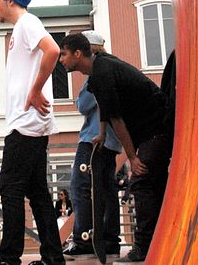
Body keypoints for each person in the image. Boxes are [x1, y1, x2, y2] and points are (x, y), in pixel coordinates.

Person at [58, 32, 174, 263]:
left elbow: (117, 119)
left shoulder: (101, 73)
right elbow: (104, 106)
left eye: (63, 54)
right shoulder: (99, 67)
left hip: (157, 127)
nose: (60, 60)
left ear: (78, 54)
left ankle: (143, 248)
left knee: (141, 183)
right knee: (154, 184)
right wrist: (101, 134)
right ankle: (158, 241)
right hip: (151, 129)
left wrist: (132, 157)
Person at [0, 0, 65, 265]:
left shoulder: (27, 23)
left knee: (10, 187)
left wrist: (34, 91)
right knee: (37, 192)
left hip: (26, 123)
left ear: (10, 0)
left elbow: (53, 50)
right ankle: (53, 258)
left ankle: (9, 258)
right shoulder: (20, 29)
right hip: (29, 122)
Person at [62, 30, 123, 258]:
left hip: (93, 138)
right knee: (107, 189)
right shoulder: (113, 67)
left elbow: (83, 104)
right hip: (112, 141)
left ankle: (83, 239)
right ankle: (109, 239)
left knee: (81, 188)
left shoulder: (95, 74)